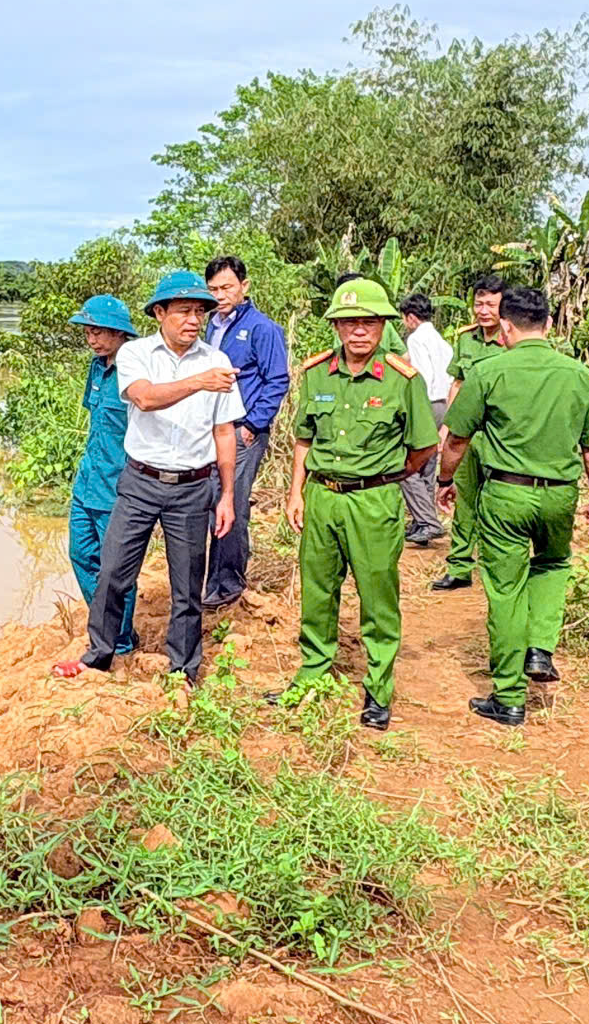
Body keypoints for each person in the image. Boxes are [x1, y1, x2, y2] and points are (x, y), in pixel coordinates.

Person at [437, 285, 589, 727]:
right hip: (559, 493)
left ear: (506, 326)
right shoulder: (580, 375)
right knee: (554, 564)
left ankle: (509, 697)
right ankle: (539, 647)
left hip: (505, 493)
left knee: (506, 587)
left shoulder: (490, 370)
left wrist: (445, 480)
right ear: (550, 326)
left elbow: (458, 438)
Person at [55, 270, 246, 684]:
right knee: (112, 572)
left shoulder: (218, 362)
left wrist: (227, 494)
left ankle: (183, 669)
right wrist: (198, 382)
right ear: (159, 313)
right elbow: (144, 397)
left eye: (200, 311)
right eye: (183, 311)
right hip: (139, 482)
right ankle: (100, 653)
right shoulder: (136, 354)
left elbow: (224, 431)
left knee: (187, 585)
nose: (193, 320)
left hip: (194, 486)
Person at [276, 278, 438, 730]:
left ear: (383, 325)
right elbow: (304, 438)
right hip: (322, 496)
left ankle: (379, 690)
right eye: (349, 323)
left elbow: (423, 446)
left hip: (373, 501)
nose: (358, 331)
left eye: (368, 322)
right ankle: (312, 675)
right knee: (318, 592)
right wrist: (296, 493)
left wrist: (388, 476)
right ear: (337, 327)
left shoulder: (403, 380)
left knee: (377, 597)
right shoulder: (315, 373)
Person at [198, 256, 287, 611]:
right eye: (214, 289)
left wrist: (254, 425)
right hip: (214, 429)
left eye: (227, 287)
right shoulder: (210, 326)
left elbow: (277, 379)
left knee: (230, 503)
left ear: (244, 287)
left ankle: (229, 583)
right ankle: (213, 579)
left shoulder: (262, 328)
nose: (220, 295)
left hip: (242, 430)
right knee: (211, 502)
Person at [65, 294, 140, 653]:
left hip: (118, 487)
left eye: (98, 332)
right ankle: (105, 624)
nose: (91, 340)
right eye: (88, 333)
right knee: (81, 554)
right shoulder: (97, 367)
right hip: (88, 481)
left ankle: (120, 640)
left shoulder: (136, 368)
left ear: (118, 332)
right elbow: (95, 422)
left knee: (116, 568)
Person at [430, 276, 511, 592]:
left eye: (491, 303)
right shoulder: (466, 339)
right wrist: (448, 426)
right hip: (468, 434)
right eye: (479, 303)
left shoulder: (511, 339)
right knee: (463, 499)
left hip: (499, 434)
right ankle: (460, 567)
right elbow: (457, 384)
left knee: (498, 501)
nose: (483, 310)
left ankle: (497, 565)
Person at [398, 293, 451, 548]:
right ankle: (422, 521)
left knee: (406, 465)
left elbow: (421, 375)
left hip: (426, 403)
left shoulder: (417, 338)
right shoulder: (441, 340)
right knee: (428, 464)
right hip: (443, 404)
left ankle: (428, 521)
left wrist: (413, 407)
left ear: (410, 318)